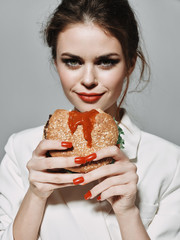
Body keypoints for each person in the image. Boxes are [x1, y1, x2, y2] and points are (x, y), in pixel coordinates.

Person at [0, 0, 180, 239]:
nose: (88, 79)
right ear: (56, 62)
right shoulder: (20, 149)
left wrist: (128, 212)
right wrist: (35, 195)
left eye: (106, 61)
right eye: (72, 61)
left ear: (130, 64)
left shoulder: (170, 163)